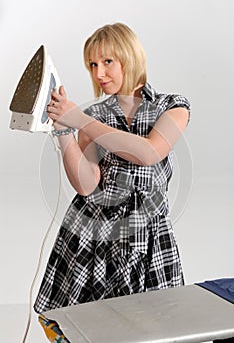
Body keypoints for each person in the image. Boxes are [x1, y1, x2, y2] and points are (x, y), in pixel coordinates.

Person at [34, 22, 191, 341]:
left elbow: (149, 152)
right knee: (88, 330)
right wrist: (64, 130)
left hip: (145, 238)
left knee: (152, 327)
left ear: (129, 58)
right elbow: (87, 185)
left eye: (107, 62)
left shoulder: (171, 107)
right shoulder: (94, 117)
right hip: (91, 235)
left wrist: (79, 119)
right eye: (92, 64)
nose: (98, 73)